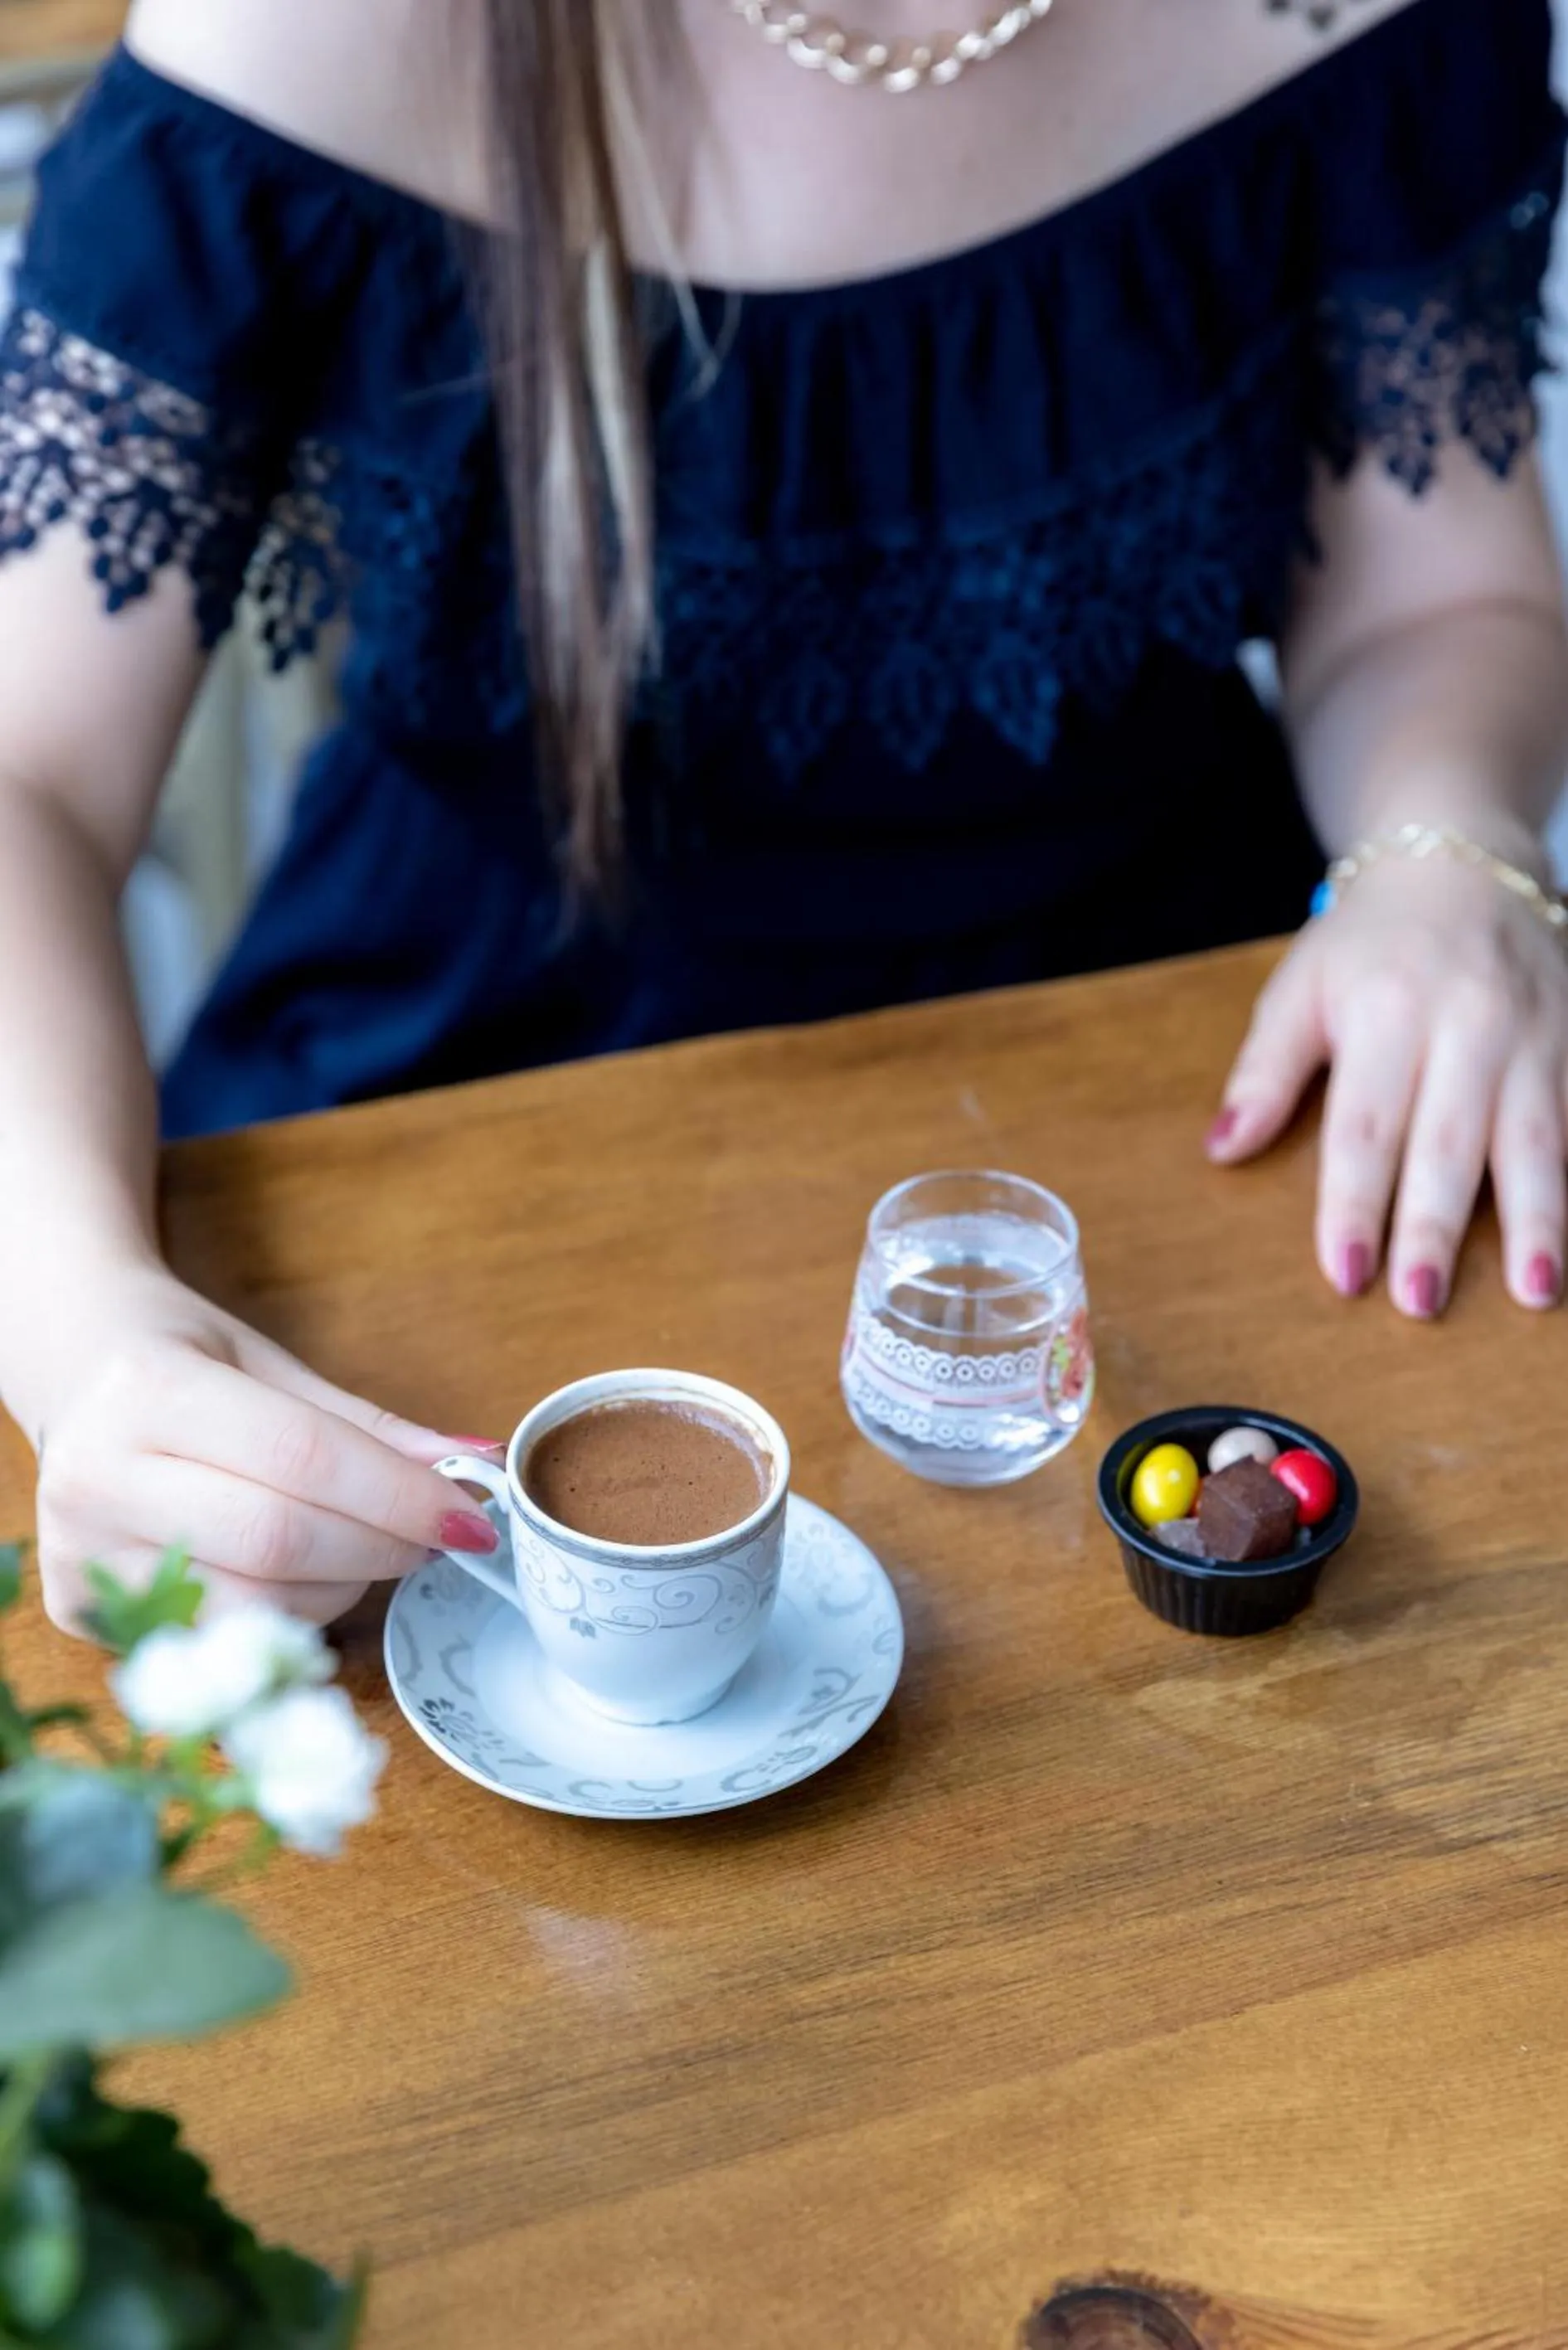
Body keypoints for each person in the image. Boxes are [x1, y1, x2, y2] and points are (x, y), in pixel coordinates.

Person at [2, 0, 1566, 1632]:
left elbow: (1435, 598)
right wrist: (79, 1320)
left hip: (1192, 1112)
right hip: (475, 1087)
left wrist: (1445, 848)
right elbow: (23, 770)